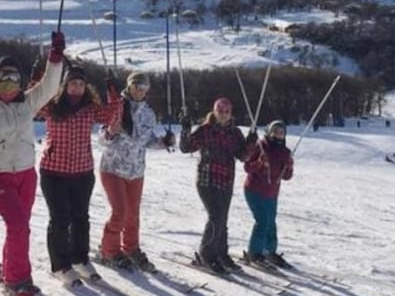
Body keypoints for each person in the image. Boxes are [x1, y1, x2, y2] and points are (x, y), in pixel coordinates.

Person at [0, 28, 65, 296]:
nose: (8, 83)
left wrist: (55, 59)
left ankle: (9, 267)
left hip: (26, 174)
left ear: (20, 82)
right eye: (2, 77)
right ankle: (17, 278)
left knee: (20, 227)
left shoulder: (27, 104)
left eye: (13, 78)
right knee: (18, 225)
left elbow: (50, 87)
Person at [38, 64, 123, 287]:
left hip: (82, 172)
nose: (76, 88)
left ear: (86, 87)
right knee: (60, 219)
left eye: (81, 84)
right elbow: (33, 102)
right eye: (73, 83)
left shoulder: (90, 108)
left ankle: (80, 259)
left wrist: (113, 91)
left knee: (80, 218)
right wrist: (37, 78)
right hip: (54, 172)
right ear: (65, 85)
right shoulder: (53, 106)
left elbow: (111, 115)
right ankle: (61, 265)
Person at [95, 71, 174, 272]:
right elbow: (101, 139)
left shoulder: (148, 113)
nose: (140, 91)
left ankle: (131, 248)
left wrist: (163, 142)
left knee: (133, 214)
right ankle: (108, 250)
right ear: (129, 87)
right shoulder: (116, 106)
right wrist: (109, 133)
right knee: (120, 212)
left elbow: (145, 140)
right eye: (136, 87)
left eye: (144, 88)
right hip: (113, 168)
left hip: (136, 171)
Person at [179, 97, 256, 274]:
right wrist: (185, 129)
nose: (223, 115)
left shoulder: (235, 133)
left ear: (231, 114)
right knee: (216, 217)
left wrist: (251, 143)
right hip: (207, 180)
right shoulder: (206, 130)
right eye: (220, 111)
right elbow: (186, 147)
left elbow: (243, 156)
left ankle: (221, 253)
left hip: (226, 181)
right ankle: (206, 254)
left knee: (223, 218)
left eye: (227, 112)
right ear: (214, 111)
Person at [242, 120, 294, 269]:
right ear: (269, 132)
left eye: (281, 132)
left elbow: (286, 176)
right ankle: (254, 253)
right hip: (254, 190)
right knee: (262, 221)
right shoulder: (261, 146)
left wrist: (289, 166)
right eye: (275, 131)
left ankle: (270, 251)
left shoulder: (285, 152)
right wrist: (259, 163)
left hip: (271, 193)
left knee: (271, 223)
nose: (278, 134)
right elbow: (247, 167)